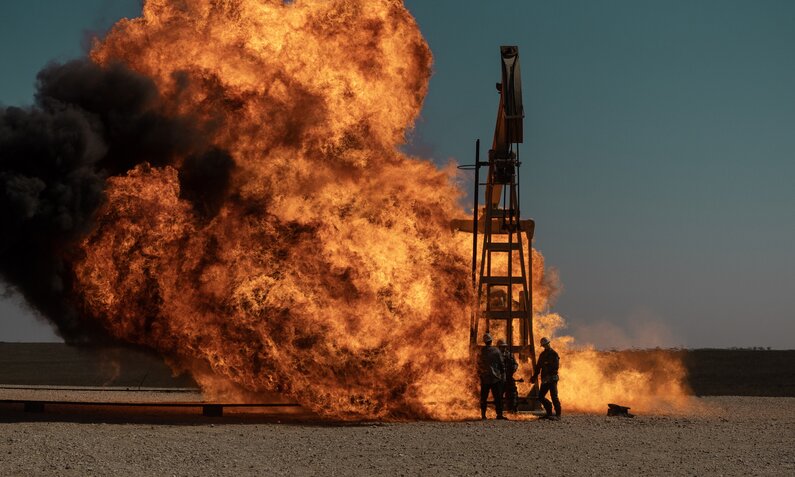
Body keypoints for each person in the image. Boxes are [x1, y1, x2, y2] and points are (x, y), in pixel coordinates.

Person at [531, 336, 561, 419]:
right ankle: (549, 412)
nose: (545, 346)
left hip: (552, 379)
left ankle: (558, 415)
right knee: (540, 396)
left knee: (554, 396)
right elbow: (538, 367)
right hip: (545, 380)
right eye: (544, 345)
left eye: (546, 344)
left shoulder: (554, 354)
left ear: (549, 344)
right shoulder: (542, 355)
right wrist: (534, 376)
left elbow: (555, 367)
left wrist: (549, 375)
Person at [478, 333, 506, 420]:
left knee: (484, 398)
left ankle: (483, 415)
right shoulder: (496, 351)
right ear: (491, 341)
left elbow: (478, 364)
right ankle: (499, 415)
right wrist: (502, 374)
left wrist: (480, 374)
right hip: (495, 378)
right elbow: (501, 364)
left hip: (485, 378)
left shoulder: (481, 351)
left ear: (484, 342)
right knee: (498, 398)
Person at [497, 339, 519, 412]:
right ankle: (500, 411)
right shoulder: (496, 355)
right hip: (500, 378)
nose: (504, 348)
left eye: (505, 346)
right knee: (499, 395)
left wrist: (514, 368)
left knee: (513, 393)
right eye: (502, 347)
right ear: (499, 347)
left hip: (509, 377)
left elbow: (515, 364)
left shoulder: (509, 355)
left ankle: (513, 409)